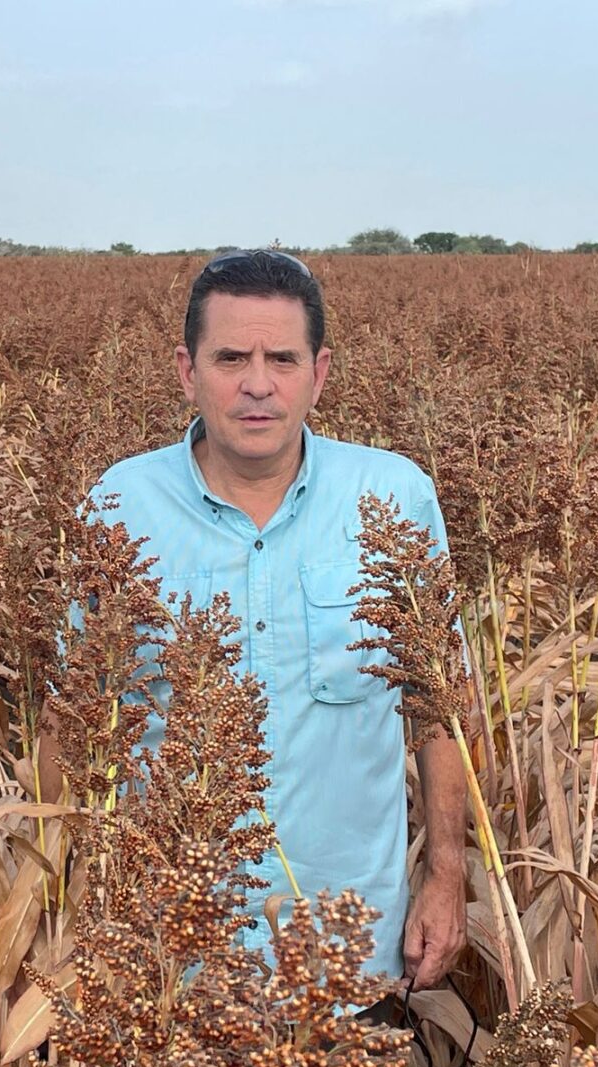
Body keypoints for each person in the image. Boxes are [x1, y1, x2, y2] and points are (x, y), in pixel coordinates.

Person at [85, 249, 468, 995]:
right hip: (174, 952)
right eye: (230, 357)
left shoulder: (392, 498)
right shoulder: (121, 507)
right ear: (186, 371)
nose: (257, 383)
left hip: (349, 941)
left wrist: (446, 875)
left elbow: (438, 706)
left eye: (281, 359)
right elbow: (78, 715)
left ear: (318, 374)